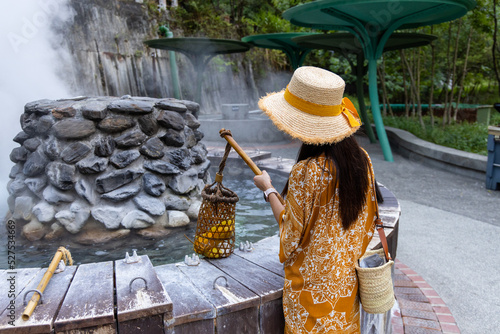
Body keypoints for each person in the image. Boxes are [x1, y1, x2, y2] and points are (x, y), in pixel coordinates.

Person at [253, 66, 379, 333]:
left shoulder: (307, 171)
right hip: (346, 293)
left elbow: (290, 238)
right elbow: (367, 225)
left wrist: (268, 189)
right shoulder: (363, 160)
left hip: (310, 300)